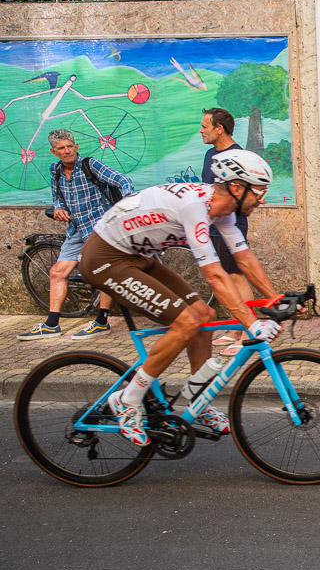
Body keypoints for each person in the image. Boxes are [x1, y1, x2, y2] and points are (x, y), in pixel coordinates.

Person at [80, 149, 282, 446]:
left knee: (206, 316)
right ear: (237, 188)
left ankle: (197, 401)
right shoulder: (195, 208)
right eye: (259, 191)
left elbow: (244, 258)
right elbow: (215, 276)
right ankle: (128, 399)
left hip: (139, 256)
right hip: (106, 258)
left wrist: (274, 299)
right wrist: (252, 325)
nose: (261, 198)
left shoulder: (223, 211)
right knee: (187, 321)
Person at [18, 129, 135, 341]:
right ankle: (52, 324)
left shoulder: (91, 165)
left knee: (101, 272)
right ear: (54, 152)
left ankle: (101, 321)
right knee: (57, 272)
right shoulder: (55, 170)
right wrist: (58, 209)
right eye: (61, 148)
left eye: (70, 146)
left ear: (76, 147)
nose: (67, 151)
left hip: (100, 228)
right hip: (76, 228)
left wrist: (128, 199)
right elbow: (57, 198)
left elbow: (122, 180)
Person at [199, 107, 252, 356]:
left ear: (219, 129)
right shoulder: (210, 154)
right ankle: (235, 328)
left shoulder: (238, 156)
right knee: (227, 277)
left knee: (236, 276)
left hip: (231, 226)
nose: (201, 131)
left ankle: (249, 333)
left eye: (204, 126)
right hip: (212, 227)